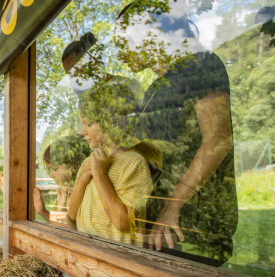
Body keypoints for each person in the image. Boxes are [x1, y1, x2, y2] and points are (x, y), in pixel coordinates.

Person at [115, 1, 237, 262]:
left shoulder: (201, 64)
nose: (120, 53)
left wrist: (172, 207)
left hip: (189, 224)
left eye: (123, 40)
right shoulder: (154, 89)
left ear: (149, 32)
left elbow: (218, 140)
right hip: (156, 223)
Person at [65, 78, 154, 247]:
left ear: (111, 122)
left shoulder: (134, 164)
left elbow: (123, 223)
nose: (81, 131)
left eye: (88, 124)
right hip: (87, 258)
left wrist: (100, 174)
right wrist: (83, 179)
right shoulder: (88, 162)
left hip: (116, 263)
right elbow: (71, 216)